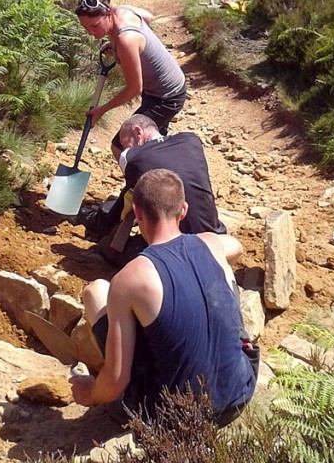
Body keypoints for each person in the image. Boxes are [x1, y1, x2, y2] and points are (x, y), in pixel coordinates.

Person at [70, 169, 256, 425]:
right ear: (184, 210)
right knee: (224, 278)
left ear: (137, 214)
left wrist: (89, 393)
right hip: (240, 392)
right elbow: (236, 246)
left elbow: (115, 384)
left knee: (95, 291)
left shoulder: (130, 278)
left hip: (178, 417)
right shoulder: (211, 244)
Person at [75, 0, 186, 159]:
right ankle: (165, 178)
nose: (91, 32)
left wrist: (101, 110)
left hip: (166, 97)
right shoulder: (123, 11)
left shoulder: (125, 40)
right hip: (165, 87)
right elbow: (148, 17)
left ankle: (143, 184)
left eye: (95, 25)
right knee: (152, 144)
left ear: (108, 13)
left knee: (122, 146)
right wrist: (129, 47)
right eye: (85, 27)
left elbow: (134, 89)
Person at [87, 114, 227, 247]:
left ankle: (101, 225)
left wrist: (108, 225)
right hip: (215, 237)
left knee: (108, 246)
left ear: (138, 132)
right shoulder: (191, 140)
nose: (124, 149)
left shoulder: (131, 157)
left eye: (125, 143)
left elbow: (132, 202)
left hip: (178, 248)